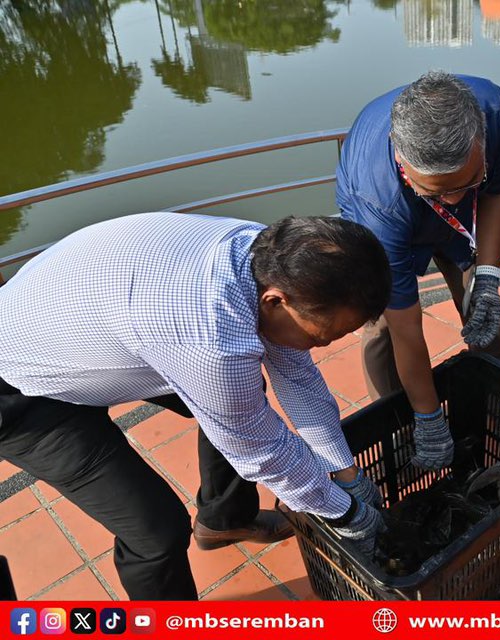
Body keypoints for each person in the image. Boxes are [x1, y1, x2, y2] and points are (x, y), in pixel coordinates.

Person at [0, 213, 392, 599]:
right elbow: (261, 450)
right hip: (21, 387)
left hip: (91, 326)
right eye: (323, 338)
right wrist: (344, 512)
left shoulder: (271, 255)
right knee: (155, 530)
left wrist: (345, 472)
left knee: (239, 393)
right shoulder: (212, 340)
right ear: (276, 300)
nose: (324, 347)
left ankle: (225, 519)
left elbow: (298, 378)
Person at [337, 71, 500, 471]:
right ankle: (404, 423)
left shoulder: (496, 110)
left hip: (462, 220)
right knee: (384, 327)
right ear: (401, 158)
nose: (452, 197)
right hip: (390, 213)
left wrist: (488, 278)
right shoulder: (378, 201)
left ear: (481, 140)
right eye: (439, 190)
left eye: (467, 180)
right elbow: (408, 327)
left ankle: (498, 402)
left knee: (483, 303)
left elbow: (498, 193)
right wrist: (429, 414)